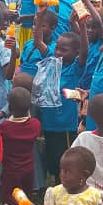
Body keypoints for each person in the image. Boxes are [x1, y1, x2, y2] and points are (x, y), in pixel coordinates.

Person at [37, 29, 87, 184]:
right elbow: (38, 41)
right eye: (57, 48)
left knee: (64, 158)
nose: (58, 52)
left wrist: (81, 26)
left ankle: (66, 185)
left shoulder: (74, 68)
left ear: (76, 52)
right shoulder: (52, 63)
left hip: (64, 125)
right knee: (51, 157)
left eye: (63, 50)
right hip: (49, 122)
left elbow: (85, 52)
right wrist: (39, 18)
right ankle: (56, 184)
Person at [0, 87, 42, 205]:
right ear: (29, 108)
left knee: (10, 192)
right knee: (25, 189)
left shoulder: (5, 127)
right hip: (29, 167)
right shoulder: (35, 124)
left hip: (11, 169)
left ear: (10, 109)